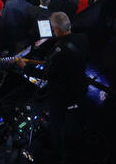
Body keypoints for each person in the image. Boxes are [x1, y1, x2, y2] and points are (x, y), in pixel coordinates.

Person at [43, 12, 89, 157]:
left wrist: (24, 67)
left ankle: (58, 153)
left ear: (57, 30)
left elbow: (47, 74)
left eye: (53, 28)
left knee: (56, 125)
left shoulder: (59, 50)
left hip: (62, 95)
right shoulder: (83, 38)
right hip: (79, 85)